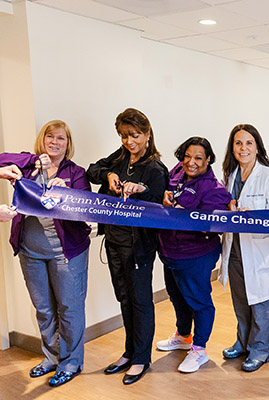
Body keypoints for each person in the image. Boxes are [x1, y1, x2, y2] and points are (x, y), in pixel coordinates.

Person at [0, 120, 91, 387]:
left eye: (60, 138)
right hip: (30, 251)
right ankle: (51, 357)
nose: (54, 142)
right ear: (42, 139)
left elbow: (85, 210)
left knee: (69, 309)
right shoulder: (29, 165)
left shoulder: (76, 173)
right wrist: (16, 165)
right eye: (50, 137)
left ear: (68, 143)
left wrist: (68, 194)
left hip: (66, 252)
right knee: (43, 309)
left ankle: (71, 362)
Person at [87, 108, 168, 385]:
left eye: (135, 135)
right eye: (124, 136)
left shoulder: (155, 168)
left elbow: (159, 204)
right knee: (123, 297)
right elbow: (92, 170)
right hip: (114, 241)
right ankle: (129, 351)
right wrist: (109, 175)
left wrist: (142, 191)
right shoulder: (120, 157)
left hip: (139, 247)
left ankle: (141, 358)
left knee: (140, 301)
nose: (129, 141)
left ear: (147, 134)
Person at [155, 137, 231, 373]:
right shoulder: (177, 171)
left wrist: (185, 214)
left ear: (208, 160)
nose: (191, 162)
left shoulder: (213, 189)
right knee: (177, 297)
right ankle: (183, 335)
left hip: (195, 254)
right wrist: (164, 198)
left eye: (198, 158)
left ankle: (199, 350)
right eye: (187, 156)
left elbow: (211, 223)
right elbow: (165, 192)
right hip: (170, 251)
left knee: (199, 301)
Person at [220, 124, 269, 372]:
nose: (243, 148)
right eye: (238, 143)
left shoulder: (268, 176)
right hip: (235, 248)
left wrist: (254, 216)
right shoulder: (230, 174)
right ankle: (243, 342)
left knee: (260, 302)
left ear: (257, 146)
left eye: (248, 143)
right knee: (240, 301)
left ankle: (259, 350)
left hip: (258, 250)